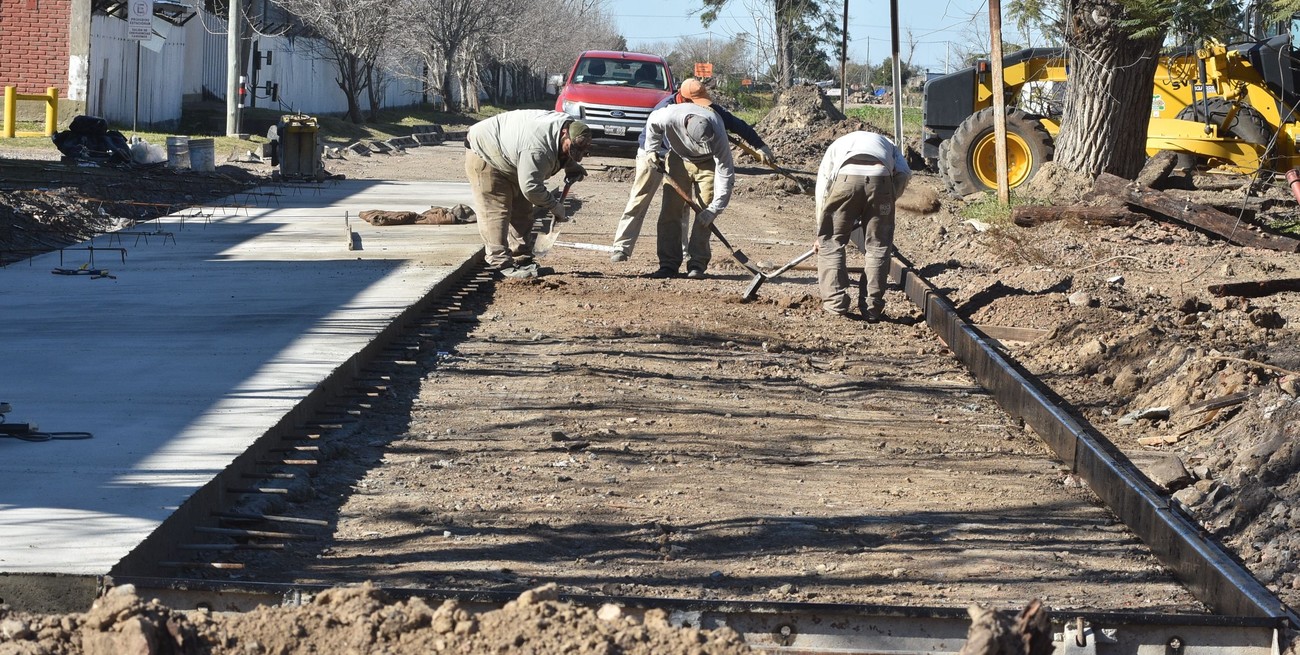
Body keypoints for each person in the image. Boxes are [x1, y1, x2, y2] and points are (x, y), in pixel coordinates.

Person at [610, 78, 775, 263]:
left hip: (685, 155)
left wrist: (759, 145)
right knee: (640, 198)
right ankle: (621, 247)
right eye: (696, 102)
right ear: (683, 99)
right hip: (654, 150)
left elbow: (736, 126)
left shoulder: (708, 115)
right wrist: (651, 152)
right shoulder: (666, 110)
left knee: (683, 207)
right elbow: (652, 128)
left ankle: (683, 252)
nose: (701, 106)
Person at [464, 109, 590, 279]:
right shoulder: (537, 148)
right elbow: (531, 188)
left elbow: (560, 149)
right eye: (572, 149)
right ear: (564, 133)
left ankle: (522, 259)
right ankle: (499, 263)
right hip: (485, 152)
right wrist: (554, 206)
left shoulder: (570, 125)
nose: (576, 155)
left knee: (523, 210)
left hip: (512, 156)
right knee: (497, 210)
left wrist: (570, 165)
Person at [813, 131, 911, 322]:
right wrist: (890, 197)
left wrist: (821, 230)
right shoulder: (888, 144)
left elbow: (824, 186)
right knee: (878, 245)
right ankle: (872, 309)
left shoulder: (838, 144)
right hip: (881, 180)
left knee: (832, 242)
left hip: (846, 179)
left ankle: (835, 304)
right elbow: (905, 173)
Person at [641, 101, 735, 279]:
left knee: (705, 212)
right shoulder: (669, 116)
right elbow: (652, 122)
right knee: (670, 211)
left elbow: (726, 174)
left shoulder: (717, 127)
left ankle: (697, 264)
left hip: (708, 163)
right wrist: (651, 150)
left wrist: (715, 209)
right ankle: (668, 264)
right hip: (679, 158)